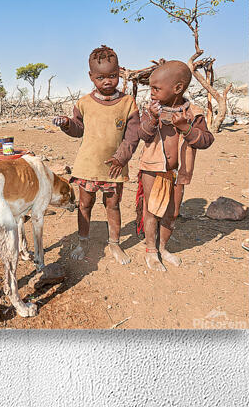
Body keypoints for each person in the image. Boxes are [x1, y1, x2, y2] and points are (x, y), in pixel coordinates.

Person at [53, 45, 139, 264]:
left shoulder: (128, 103)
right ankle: (83, 241)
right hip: (88, 166)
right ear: (91, 76)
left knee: (113, 205)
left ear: (119, 72)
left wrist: (121, 157)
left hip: (114, 167)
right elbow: (78, 129)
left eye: (112, 76)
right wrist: (66, 124)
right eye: (100, 77)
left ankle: (115, 243)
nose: (107, 81)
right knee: (84, 205)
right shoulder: (84, 103)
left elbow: (132, 136)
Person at [136, 60, 214, 271]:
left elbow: (206, 140)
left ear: (178, 88)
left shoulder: (194, 113)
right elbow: (142, 134)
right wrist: (152, 119)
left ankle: (163, 247)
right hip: (152, 168)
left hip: (178, 172)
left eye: (156, 88)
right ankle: (151, 250)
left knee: (172, 211)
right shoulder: (151, 110)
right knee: (151, 209)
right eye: (151, 88)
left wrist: (185, 128)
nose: (152, 93)